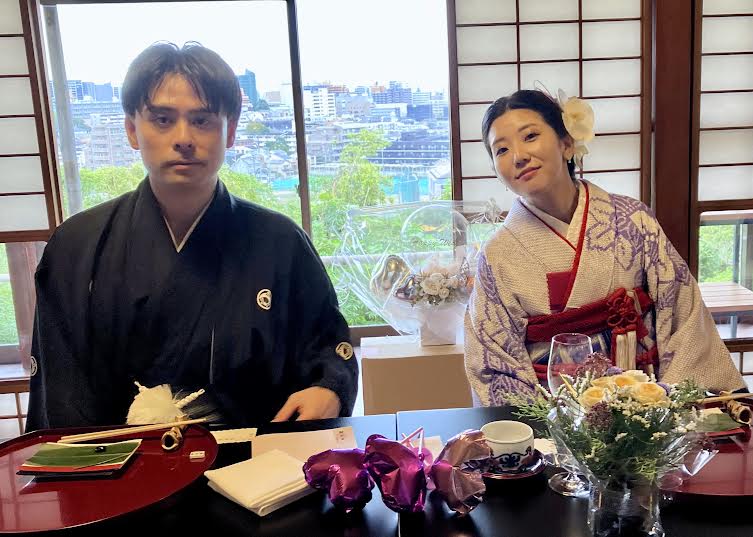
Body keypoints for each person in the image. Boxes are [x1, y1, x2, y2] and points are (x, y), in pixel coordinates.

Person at [27, 42, 357, 429]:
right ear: (132, 130)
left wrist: (329, 388)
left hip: (258, 458)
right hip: (121, 461)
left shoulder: (280, 242)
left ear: (230, 131)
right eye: (162, 120)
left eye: (202, 120)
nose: (183, 137)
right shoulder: (77, 246)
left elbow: (327, 345)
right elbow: (61, 386)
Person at [464, 89, 745, 405]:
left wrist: (666, 405)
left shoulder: (633, 220)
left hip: (646, 405)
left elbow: (683, 312)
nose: (518, 156)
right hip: (553, 410)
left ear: (566, 143)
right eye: (501, 149)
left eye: (530, 136)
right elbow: (494, 361)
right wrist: (546, 423)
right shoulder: (498, 254)